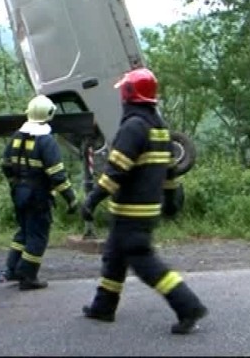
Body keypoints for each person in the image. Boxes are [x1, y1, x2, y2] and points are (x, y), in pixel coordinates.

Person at [79, 67, 208, 334]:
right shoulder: (158, 128)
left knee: (143, 261)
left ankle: (188, 306)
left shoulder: (133, 127)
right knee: (114, 256)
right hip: (143, 209)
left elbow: (116, 171)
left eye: (123, 92)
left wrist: (92, 200)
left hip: (131, 211)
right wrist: (172, 199)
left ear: (128, 94)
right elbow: (170, 171)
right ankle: (103, 306)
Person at [1, 94, 81, 290]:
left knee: (24, 231)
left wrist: (15, 184)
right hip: (38, 195)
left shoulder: (16, 137)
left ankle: (12, 269)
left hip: (19, 192)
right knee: (38, 236)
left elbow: (5, 166)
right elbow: (57, 175)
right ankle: (28, 276)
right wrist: (71, 199)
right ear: (49, 114)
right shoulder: (46, 141)